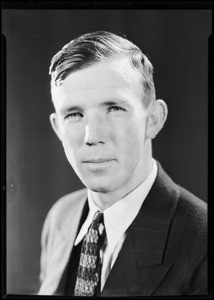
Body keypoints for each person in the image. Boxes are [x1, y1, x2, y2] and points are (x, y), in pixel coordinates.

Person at [38, 31, 207, 296]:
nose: (92, 136)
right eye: (74, 114)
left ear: (153, 119)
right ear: (57, 128)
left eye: (114, 109)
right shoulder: (60, 217)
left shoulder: (202, 241)